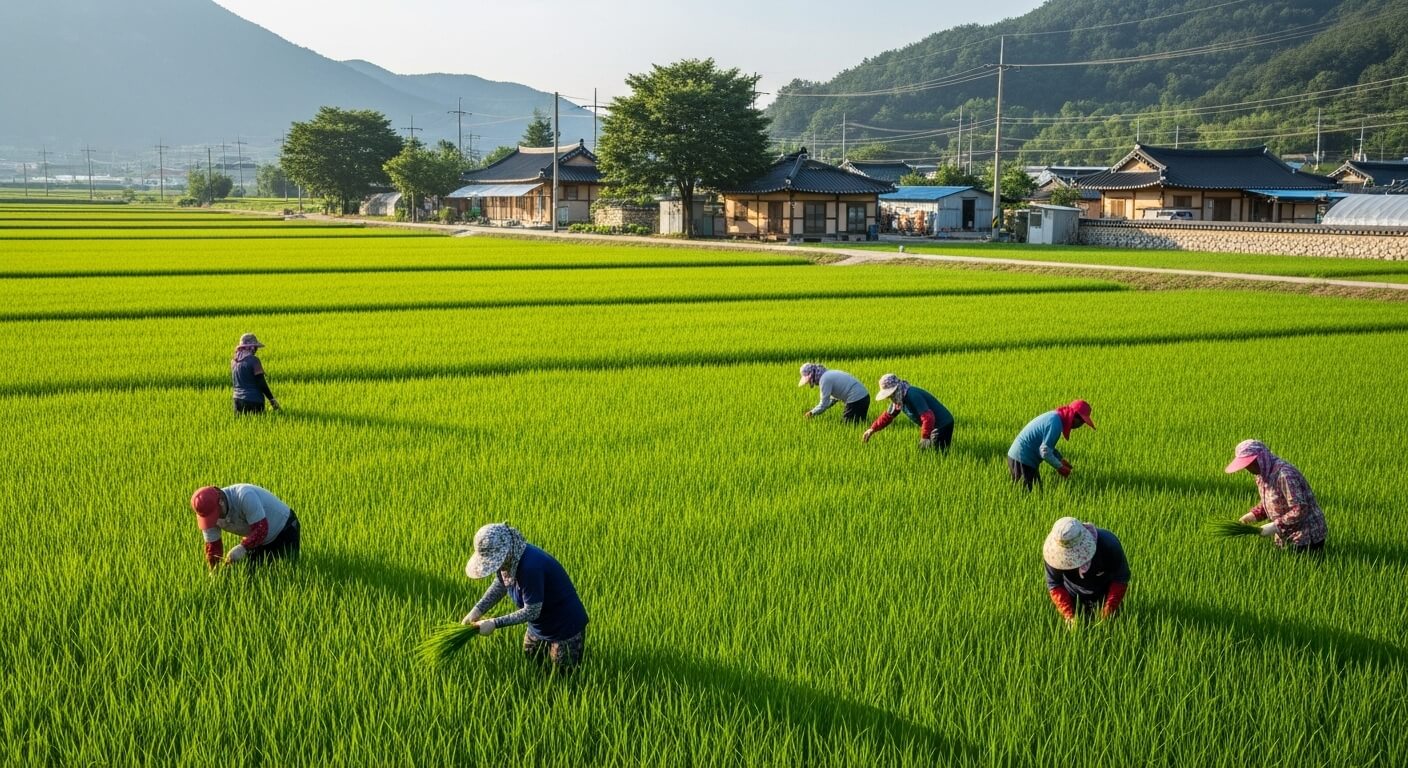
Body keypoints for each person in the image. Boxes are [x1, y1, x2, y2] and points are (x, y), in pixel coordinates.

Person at [462, 523, 589, 673]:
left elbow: (532, 611)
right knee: (533, 664)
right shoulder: (509, 560)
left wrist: (494, 623)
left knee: (564, 675)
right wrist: (477, 610)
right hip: (539, 626)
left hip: (565, 627)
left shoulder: (530, 567)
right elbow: (501, 585)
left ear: (505, 552)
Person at [1224, 439, 1328, 553]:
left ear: (1261, 458)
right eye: (1245, 465)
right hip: (1285, 534)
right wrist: (1254, 515)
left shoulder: (1285, 475)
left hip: (1305, 536)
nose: (1247, 468)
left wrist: (1275, 526)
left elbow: (1300, 509)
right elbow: (1272, 501)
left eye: (1250, 464)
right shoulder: (1261, 474)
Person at [1043, 516, 1129, 626]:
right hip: (1072, 596)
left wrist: (1108, 610)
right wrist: (1068, 614)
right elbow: (1054, 584)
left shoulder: (1108, 544)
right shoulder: (1054, 555)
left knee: (1113, 627)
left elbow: (1120, 578)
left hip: (1106, 593)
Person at [190, 484, 301, 569]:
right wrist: (215, 572)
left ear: (221, 501)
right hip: (258, 540)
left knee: (287, 570)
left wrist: (242, 548)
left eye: (215, 514)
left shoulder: (244, 496)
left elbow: (261, 529)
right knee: (249, 575)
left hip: (285, 529)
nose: (215, 520)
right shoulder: (207, 515)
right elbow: (213, 548)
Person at [1007, 399, 1096, 490]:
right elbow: (1044, 451)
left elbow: (1047, 446)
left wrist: (1060, 459)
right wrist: (1060, 467)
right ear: (1075, 417)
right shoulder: (1055, 423)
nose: (1080, 426)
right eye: (1082, 422)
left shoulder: (1057, 417)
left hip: (1022, 458)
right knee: (1027, 494)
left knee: (1036, 492)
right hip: (1022, 459)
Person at [861, 373, 955, 451]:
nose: (888, 398)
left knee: (935, 455)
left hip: (942, 425)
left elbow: (928, 417)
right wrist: (872, 429)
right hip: (933, 426)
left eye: (889, 395)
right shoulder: (899, 399)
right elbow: (888, 416)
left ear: (895, 389)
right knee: (924, 452)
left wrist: (925, 437)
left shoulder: (912, 395)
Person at [798, 363, 870, 424]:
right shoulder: (828, 374)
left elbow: (824, 404)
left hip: (856, 400)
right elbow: (833, 400)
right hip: (864, 398)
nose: (809, 383)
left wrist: (811, 413)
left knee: (848, 426)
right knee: (860, 424)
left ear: (812, 375)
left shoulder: (824, 380)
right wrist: (814, 410)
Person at [231, 333, 280, 414]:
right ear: (251, 347)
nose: (256, 350)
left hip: (237, 401)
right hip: (253, 400)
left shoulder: (233, 361)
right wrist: (272, 400)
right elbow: (261, 383)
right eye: (256, 347)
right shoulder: (254, 360)